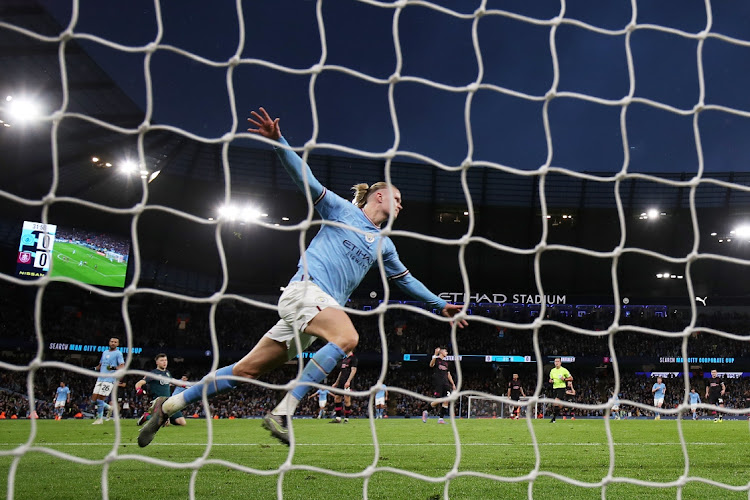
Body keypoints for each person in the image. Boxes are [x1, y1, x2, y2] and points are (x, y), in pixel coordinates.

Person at [137, 107, 466, 447]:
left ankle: (169, 405)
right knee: (348, 338)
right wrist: (279, 141)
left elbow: (405, 280)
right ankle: (283, 411)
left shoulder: (384, 244)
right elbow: (305, 179)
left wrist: (440, 305)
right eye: (397, 199)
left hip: (314, 310)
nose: (401, 206)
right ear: (379, 196)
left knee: (245, 371)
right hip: (306, 292)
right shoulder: (341, 211)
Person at [135, 354, 187, 427]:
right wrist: (138, 389)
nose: (164, 362)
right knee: (165, 424)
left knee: (182, 422)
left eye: (165, 360)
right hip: (159, 403)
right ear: (157, 362)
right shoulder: (153, 373)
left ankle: (165, 418)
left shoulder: (167, 373)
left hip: (169, 402)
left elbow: (173, 381)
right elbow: (139, 383)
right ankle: (147, 417)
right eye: (162, 360)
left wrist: (186, 386)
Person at [91, 337, 125, 425]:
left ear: (118, 344)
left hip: (109, 379)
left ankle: (99, 419)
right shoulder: (104, 352)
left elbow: (122, 366)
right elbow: (101, 365)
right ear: (109, 342)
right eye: (112, 341)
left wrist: (113, 368)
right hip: (100, 378)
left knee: (100, 398)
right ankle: (109, 408)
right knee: (93, 400)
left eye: (115, 342)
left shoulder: (118, 353)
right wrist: (93, 369)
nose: (113, 343)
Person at [423, 347, 456, 424]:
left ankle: (441, 419)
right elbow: (431, 365)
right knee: (438, 400)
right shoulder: (436, 360)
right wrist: (435, 354)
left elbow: (448, 374)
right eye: (446, 351)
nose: (447, 353)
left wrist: (453, 384)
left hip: (446, 383)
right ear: (441, 352)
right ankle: (426, 411)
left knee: (446, 400)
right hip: (439, 383)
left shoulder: (446, 363)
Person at [330, 351, 358, 423]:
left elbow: (353, 370)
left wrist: (348, 381)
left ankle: (346, 419)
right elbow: (341, 372)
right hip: (341, 382)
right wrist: (336, 382)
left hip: (347, 382)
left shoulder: (353, 358)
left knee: (346, 400)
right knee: (337, 398)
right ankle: (338, 418)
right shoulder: (344, 359)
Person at [548, 357, 572, 423]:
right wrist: (551, 381)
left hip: (561, 388)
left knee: (556, 402)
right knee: (558, 405)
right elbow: (551, 379)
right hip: (554, 388)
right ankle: (564, 406)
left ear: (560, 363)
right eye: (555, 361)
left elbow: (571, 378)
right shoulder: (552, 371)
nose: (556, 363)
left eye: (558, 361)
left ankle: (553, 418)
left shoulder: (564, 370)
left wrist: (564, 379)